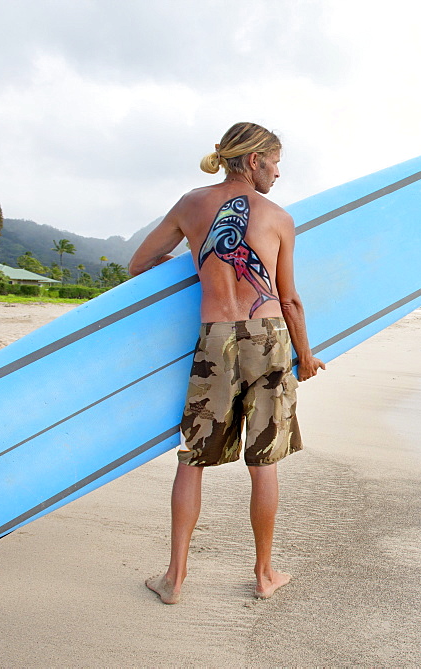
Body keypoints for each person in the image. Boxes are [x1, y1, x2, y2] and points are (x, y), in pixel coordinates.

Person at [129, 122, 325, 604]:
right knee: (264, 462)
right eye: (275, 162)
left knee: (192, 458)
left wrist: (198, 270)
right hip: (269, 338)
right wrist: (306, 355)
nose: (278, 173)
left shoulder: (191, 204)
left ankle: (174, 578)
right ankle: (263, 574)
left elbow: (139, 264)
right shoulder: (277, 216)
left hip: (214, 339)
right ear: (255, 160)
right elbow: (290, 299)